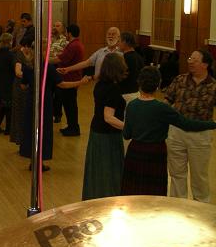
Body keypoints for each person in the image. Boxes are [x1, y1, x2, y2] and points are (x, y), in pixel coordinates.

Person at [122, 67, 216, 196]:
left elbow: (127, 135)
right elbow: (187, 124)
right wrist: (212, 124)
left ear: (139, 83)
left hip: (135, 152)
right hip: (156, 153)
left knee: (134, 190)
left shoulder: (132, 105)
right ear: (158, 84)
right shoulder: (162, 109)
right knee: (153, 192)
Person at [165, 49, 216, 202]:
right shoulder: (180, 80)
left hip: (200, 136)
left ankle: (201, 210)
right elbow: (167, 100)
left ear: (205, 65)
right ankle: (177, 207)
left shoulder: (213, 86)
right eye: (189, 58)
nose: (190, 62)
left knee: (199, 177)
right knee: (176, 175)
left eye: (195, 60)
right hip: (176, 133)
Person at [81, 53, 127, 200]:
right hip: (108, 136)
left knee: (97, 172)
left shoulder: (100, 85)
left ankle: (94, 201)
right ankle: (107, 202)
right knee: (108, 173)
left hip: (97, 132)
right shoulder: (113, 89)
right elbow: (109, 117)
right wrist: (129, 127)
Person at [0, 33, 15, 135]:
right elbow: (14, 69)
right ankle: (8, 129)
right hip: (9, 82)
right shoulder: (11, 55)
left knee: (3, 107)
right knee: (9, 107)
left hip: (0, 81)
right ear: (9, 42)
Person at [118, 31, 144, 103]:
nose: (118, 43)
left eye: (119, 41)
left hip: (125, 95)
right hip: (136, 93)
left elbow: (120, 77)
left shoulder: (125, 59)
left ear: (125, 42)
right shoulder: (139, 57)